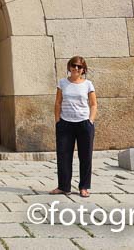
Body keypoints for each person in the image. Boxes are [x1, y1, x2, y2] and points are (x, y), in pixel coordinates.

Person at [51, 55, 97, 198]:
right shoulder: (62, 83)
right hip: (65, 123)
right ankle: (64, 186)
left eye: (79, 66)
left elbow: (93, 104)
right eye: (73, 65)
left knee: (85, 156)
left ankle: (84, 187)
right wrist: (58, 121)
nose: (76, 68)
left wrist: (91, 120)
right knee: (63, 156)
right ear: (69, 67)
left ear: (83, 69)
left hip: (84, 123)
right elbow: (58, 102)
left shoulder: (88, 84)